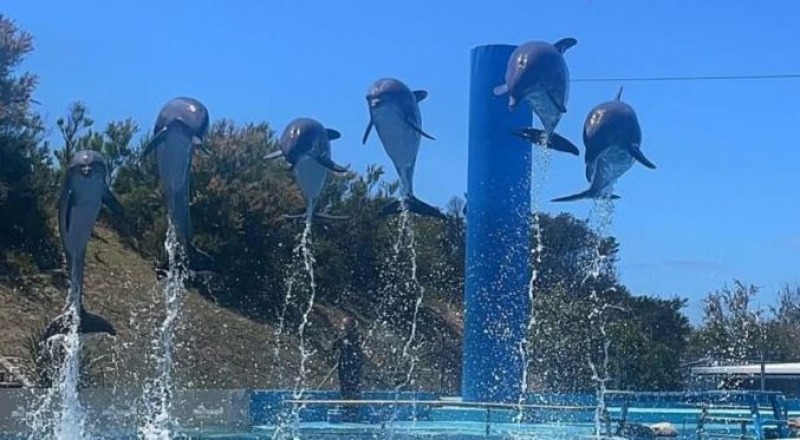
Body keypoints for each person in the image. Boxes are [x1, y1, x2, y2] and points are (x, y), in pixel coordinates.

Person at [332, 317, 365, 422]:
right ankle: (346, 407)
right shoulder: (342, 338)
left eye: (346, 325)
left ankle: (355, 409)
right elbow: (333, 347)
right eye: (344, 325)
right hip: (343, 367)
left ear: (352, 326)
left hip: (355, 366)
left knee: (355, 386)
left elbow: (361, 350)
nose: (344, 327)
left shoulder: (358, 337)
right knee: (344, 386)